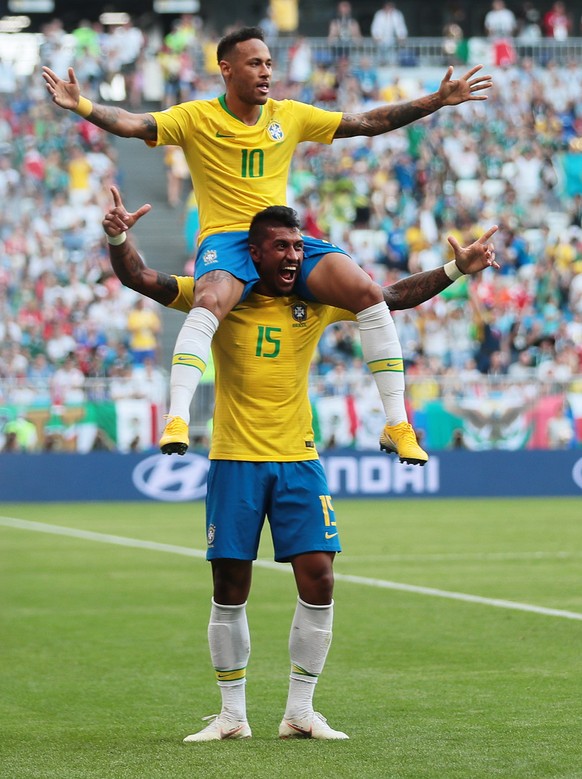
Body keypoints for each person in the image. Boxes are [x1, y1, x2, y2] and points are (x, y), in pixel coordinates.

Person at [103, 187, 498, 741]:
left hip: (299, 460)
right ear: (254, 253)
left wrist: (456, 269)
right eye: (281, 247)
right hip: (235, 459)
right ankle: (232, 715)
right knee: (230, 585)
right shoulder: (217, 293)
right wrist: (119, 237)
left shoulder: (315, 298)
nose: (293, 256)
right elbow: (141, 278)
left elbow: (389, 297)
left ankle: (300, 711)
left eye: (297, 245)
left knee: (320, 577)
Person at [43, 27, 493, 467]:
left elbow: (367, 123)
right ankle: (177, 418)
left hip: (281, 236)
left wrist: (436, 101)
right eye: (255, 63)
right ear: (226, 69)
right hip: (227, 241)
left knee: (369, 294)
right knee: (209, 299)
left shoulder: (289, 115)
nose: (266, 72)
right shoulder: (196, 117)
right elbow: (132, 122)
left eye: (269, 64)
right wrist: (80, 104)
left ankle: (397, 424)